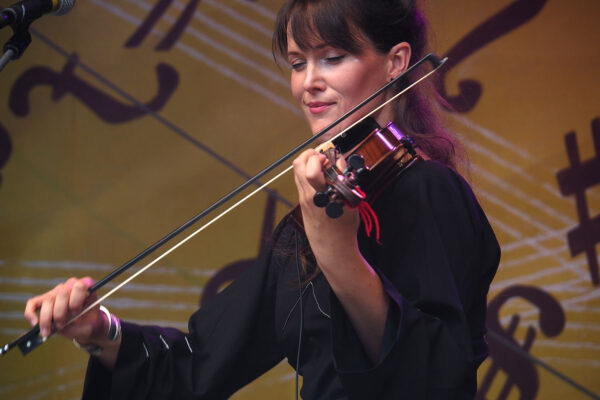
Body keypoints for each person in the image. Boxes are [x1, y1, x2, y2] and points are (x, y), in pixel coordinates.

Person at [23, 0, 500, 398]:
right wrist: (100, 332)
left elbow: (437, 378)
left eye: (332, 57)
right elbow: (201, 363)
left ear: (397, 62)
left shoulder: (428, 189)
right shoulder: (317, 213)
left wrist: (338, 252)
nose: (307, 82)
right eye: (297, 63)